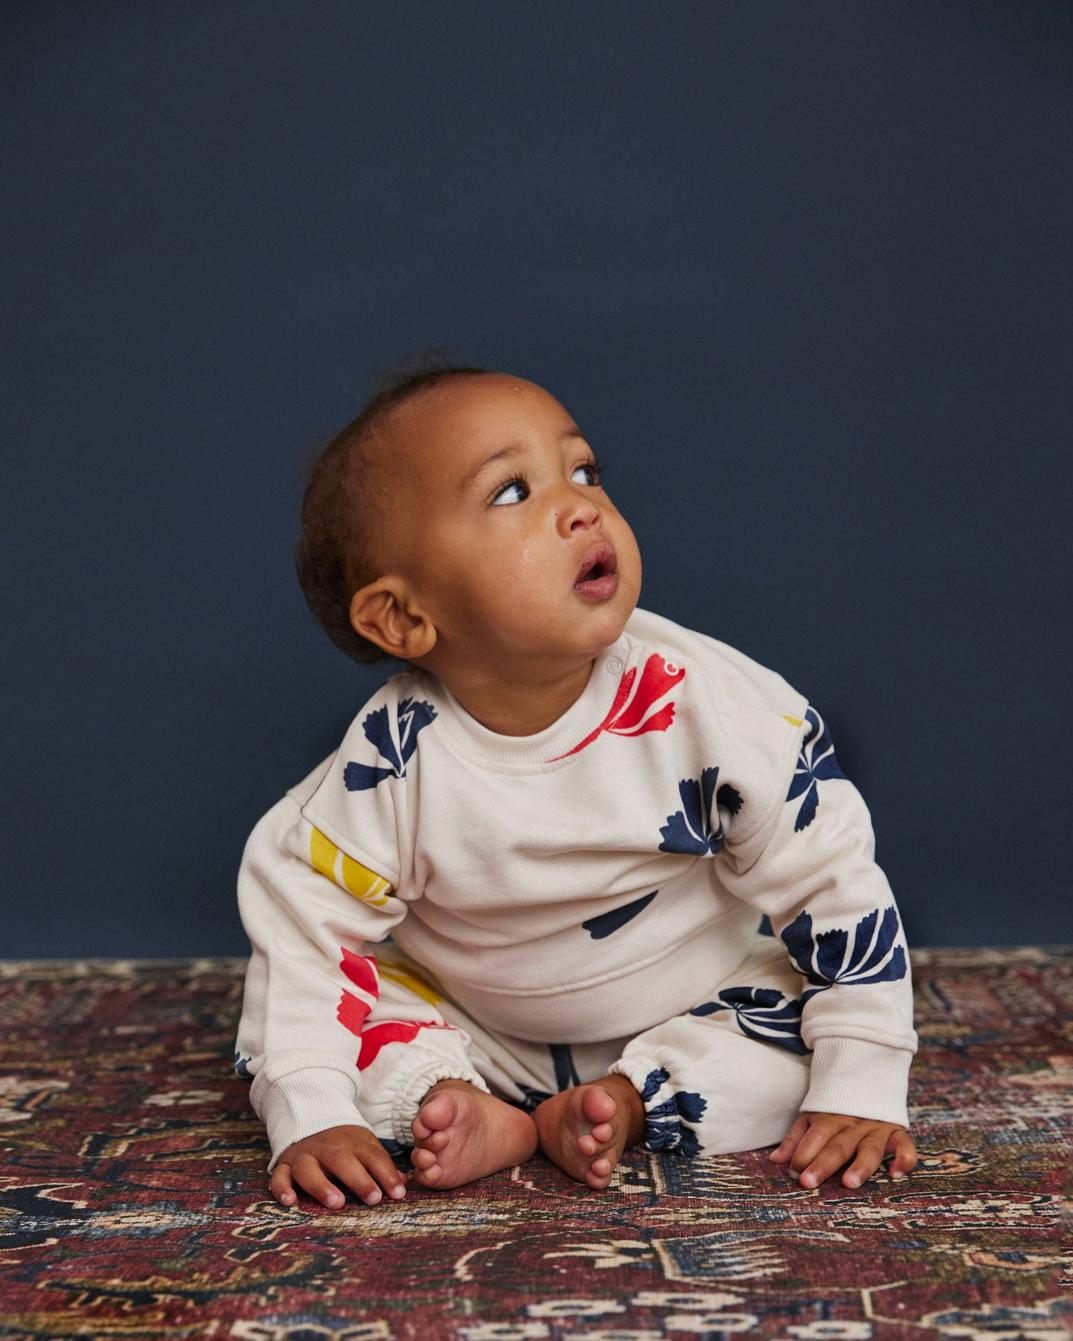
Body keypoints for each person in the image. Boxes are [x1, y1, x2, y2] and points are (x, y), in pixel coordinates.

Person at [232, 354, 919, 1211]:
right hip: (476, 1026)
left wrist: (859, 1077)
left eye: (583, 471)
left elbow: (830, 876)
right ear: (403, 616)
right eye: (512, 491)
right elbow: (304, 920)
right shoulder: (393, 760)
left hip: (692, 1005)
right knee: (315, 1034)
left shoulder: (711, 707)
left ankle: (623, 1106)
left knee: (806, 1037)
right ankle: (467, 1105)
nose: (581, 506)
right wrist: (313, 1111)